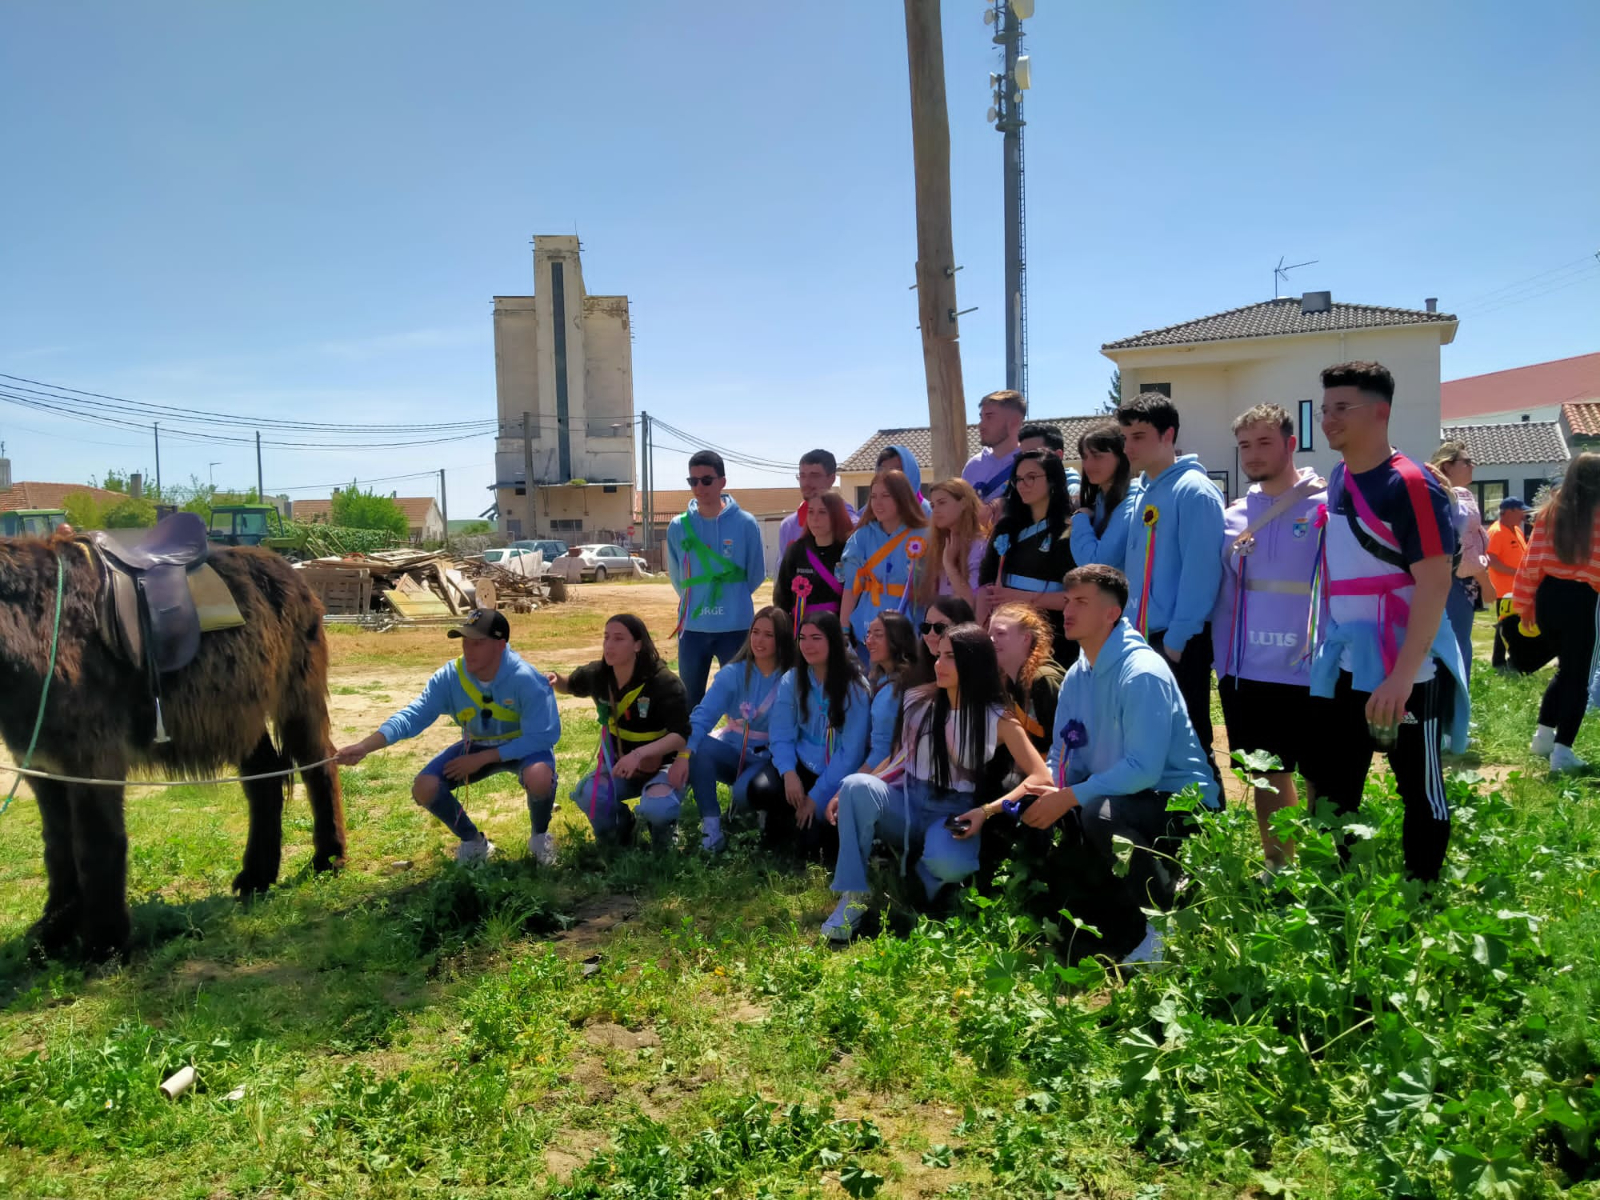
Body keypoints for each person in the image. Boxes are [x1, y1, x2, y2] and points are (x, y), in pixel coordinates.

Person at [977, 565, 1219, 964]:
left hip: (1180, 805)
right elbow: (1062, 755)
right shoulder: (1079, 673)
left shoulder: (1141, 673)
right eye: (1068, 601)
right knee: (1029, 800)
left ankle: (1165, 925)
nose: (1068, 610)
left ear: (1112, 613)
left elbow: (1144, 770)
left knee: (1097, 812)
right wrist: (1040, 793)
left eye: (1082, 602)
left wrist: (1069, 796)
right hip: (1118, 796)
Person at [1307, 362, 1465, 882]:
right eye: (1325, 408)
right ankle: (1342, 894)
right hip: (1348, 661)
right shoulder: (1338, 477)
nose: (1328, 420)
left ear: (1381, 411)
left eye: (1341, 408)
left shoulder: (1411, 483)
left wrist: (1401, 676)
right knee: (1335, 785)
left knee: (1420, 787)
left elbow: (1436, 583)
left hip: (1406, 671)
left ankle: (1423, 895)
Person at [824, 624, 1052, 941]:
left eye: (949, 657)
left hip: (953, 812)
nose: (937, 664)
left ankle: (921, 874)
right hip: (905, 802)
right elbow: (899, 757)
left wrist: (986, 812)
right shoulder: (917, 700)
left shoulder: (998, 717)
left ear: (974, 663)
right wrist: (849, 792)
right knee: (854, 785)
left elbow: (1042, 776)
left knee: (950, 865)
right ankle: (852, 897)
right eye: (939, 655)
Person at [335, 609, 560, 865]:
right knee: (424, 787)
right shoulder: (451, 677)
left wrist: (484, 758)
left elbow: (544, 736)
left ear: (500, 646)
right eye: (465, 641)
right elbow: (414, 715)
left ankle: (540, 837)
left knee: (540, 776)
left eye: (477, 643)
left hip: (523, 749)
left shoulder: (526, 678)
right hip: (475, 745)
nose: (468, 649)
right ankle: (474, 843)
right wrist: (365, 746)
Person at [1210, 405, 1327, 870]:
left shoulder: (1327, 507)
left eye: (1264, 442)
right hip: (1247, 669)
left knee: (1321, 772)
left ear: (1290, 444)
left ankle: (1322, 867)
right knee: (1266, 774)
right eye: (1244, 445)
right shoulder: (1233, 515)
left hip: (1312, 666)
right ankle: (1277, 866)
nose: (1252, 454)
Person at [1117, 391, 1225, 779]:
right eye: (1125, 436)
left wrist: (1177, 640)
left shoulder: (1193, 490)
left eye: (1139, 436)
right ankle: (1165, 828)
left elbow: (1202, 572)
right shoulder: (1144, 489)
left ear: (1168, 435)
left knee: (1191, 740)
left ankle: (1206, 826)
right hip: (1144, 636)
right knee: (1153, 738)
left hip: (1177, 640)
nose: (1128, 446)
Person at [549, 613, 692, 849]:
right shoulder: (599, 675)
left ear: (638, 645)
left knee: (659, 808)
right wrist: (555, 679)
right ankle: (621, 829)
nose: (609, 645)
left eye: (618, 638)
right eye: (606, 638)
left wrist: (639, 755)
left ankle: (663, 831)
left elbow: (681, 735)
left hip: (665, 765)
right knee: (589, 794)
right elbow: (570, 685)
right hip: (621, 766)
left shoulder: (664, 683)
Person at [668, 606, 795, 852]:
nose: (759, 640)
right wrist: (683, 755)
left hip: (772, 757)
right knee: (698, 746)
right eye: (755, 632)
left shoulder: (791, 677)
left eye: (769, 635)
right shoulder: (733, 673)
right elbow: (702, 717)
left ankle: (758, 809)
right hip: (733, 751)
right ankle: (712, 826)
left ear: (781, 639)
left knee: (742, 793)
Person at [1513, 453, 1600, 773]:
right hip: (1584, 599)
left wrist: (1524, 604)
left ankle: (1543, 737)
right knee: (1579, 678)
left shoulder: (1552, 512)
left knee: (1565, 670)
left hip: (1548, 596)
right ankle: (1563, 753)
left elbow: (1530, 561)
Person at [766, 611, 871, 858]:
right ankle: (783, 824)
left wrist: (814, 797)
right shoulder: (792, 680)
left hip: (836, 771)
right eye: (802, 637)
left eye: (816, 638)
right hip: (801, 763)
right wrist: (789, 773)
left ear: (833, 641)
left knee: (817, 838)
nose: (807, 645)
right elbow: (780, 733)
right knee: (761, 789)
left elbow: (851, 752)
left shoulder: (855, 687)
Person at [667, 450, 767, 708]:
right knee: (690, 700)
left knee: (740, 700)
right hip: (693, 628)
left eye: (706, 480)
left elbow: (755, 574)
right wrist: (698, 598)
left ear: (722, 481)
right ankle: (691, 749)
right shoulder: (678, 526)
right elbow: (677, 576)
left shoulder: (746, 523)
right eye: (693, 481)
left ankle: (738, 748)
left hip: (735, 626)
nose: (699, 487)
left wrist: (730, 599)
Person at [977, 450, 1078, 667]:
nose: (1023, 484)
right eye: (1019, 479)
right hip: (1005, 636)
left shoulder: (1070, 532)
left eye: (1032, 477)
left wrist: (1019, 597)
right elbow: (986, 583)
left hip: (1052, 638)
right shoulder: (1006, 527)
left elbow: (1074, 597)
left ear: (1052, 480)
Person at [839, 469, 930, 658]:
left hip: (909, 630)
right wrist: (844, 631)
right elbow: (851, 589)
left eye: (885, 496)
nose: (877, 503)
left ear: (902, 497)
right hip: (868, 630)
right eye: (873, 496)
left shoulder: (925, 535)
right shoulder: (861, 537)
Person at [1429, 440, 1494, 694]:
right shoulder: (1458, 499)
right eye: (1466, 462)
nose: (1472, 466)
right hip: (1459, 582)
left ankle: (1444, 714)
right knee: (1456, 648)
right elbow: (1465, 553)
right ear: (1447, 466)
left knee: (1444, 646)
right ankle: (1455, 719)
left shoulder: (1440, 496)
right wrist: (1487, 584)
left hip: (1444, 580)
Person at [773, 491, 852, 628]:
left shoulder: (849, 552)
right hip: (801, 631)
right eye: (810, 512)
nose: (815, 518)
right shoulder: (796, 551)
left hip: (837, 631)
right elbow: (782, 597)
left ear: (836, 516)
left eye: (822, 512)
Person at [1069, 422, 1137, 570]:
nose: (1088, 464)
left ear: (1122, 456)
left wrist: (1080, 518)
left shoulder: (1131, 502)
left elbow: (1095, 562)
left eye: (1097, 456)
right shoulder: (1099, 499)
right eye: (1085, 457)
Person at [864, 612, 923, 770]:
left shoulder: (893, 693)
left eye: (878, 635)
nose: (869, 641)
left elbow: (882, 753)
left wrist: (840, 793)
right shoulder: (892, 679)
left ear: (897, 639)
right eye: (868, 634)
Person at [920, 478, 987, 607]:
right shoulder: (939, 544)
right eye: (933, 505)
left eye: (942, 503)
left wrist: (949, 565)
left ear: (963, 504)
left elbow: (970, 601)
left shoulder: (980, 545)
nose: (936, 510)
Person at [778, 449, 854, 558]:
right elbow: (784, 572)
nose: (806, 483)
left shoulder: (852, 524)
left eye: (814, 475)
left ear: (831, 479)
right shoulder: (788, 526)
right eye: (802, 476)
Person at [962, 389, 1027, 516]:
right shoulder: (973, 466)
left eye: (989, 417)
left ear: (1014, 421)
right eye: (981, 417)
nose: (980, 425)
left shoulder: (1031, 462)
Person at [1486, 496, 1530, 670]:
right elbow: (1491, 560)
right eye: (1521, 511)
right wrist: (1516, 572)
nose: (1524, 515)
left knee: (1515, 627)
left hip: (1518, 588)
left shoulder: (1517, 530)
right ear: (1510, 511)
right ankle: (1499, 662)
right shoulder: (1496, 531)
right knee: (1504, 627)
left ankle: (1515, 659)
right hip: (1503, 591)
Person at [913, 596, 976, 688]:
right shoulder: (913, 672)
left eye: (940, 627)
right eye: (926, 626)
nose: (931, 633)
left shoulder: (976, 674)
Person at [1018, 422, 1082, 501]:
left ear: (1058, 456)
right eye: (1021, 456)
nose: (1024, 463)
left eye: (1033, 455)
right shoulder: (1018, 491)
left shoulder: (1073, 492)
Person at [874, 443, 930, 511]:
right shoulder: (868, 515)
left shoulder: (930, 514)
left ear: (910, 473)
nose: (887, 476)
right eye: (882, 470)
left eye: (895, 470)